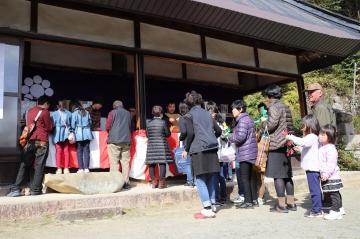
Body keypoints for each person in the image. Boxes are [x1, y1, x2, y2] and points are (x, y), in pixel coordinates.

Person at [182, 91, 222, 219]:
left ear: (188, 103)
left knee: (200, 179)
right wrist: (211, 138)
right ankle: (213, 204)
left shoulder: (189, 115)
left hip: (198, 149)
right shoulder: (208, 114)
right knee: (211, 177)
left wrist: (186, 149)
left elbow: (190, 134)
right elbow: (219, 131)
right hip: (212, 148)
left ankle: (207, 208)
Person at [7, 96, 52, 197]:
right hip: (42, 141)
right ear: (46, 103)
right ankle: (35, 190)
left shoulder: (29, 111)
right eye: (48, 105)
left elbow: (28, 125)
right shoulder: (45, 112)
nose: (48, 107)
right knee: (39, 165)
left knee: (24, 165)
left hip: (29, 142)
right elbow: (49, 127)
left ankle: (16, 189)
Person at [263, 84, 295, 213]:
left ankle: (281, 205)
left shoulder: (274, 107)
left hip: (276, 144)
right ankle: (291, 203)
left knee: (278, 176)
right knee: (287, 176)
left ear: (270, 96)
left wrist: (264, 122)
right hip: (286, 143)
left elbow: (271, 124)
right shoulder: (285, 106)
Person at [286, 114, 322, 217]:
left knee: (314, 190)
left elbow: (302, 142)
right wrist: (300, 150)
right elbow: (308, 150)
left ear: (309, 125)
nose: (302, 126)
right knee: (315, 189)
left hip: (312, 168)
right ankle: (318, 208)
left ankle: (317, 210)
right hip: (312, 168)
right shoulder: (313, 137)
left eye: (304, 124)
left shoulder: (311, 137)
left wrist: (290, 136)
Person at [228, 99, 258, 209]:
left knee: (245, 178)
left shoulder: (242, 120)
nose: (232, 111)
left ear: (240, 109)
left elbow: (240, 137)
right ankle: (253, 200)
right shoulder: (248, 119)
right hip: (250, 152)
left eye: (233, 109)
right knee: (251, 178)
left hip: (245, 152)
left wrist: (230, 136)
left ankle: (248, 202)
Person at [319, 124, 345, 220]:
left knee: (334, 194)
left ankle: (335, 211)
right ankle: (340, 208)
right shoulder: (324, 147)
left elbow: (331, 163)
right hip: (328, 175)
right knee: (333, 193)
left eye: (323, 135)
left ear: (330, 137)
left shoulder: (330, 148)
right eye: (320, 134)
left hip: (331, 176)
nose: (320, 136)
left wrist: (326, 174)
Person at [106, 100, 132, 189]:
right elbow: (130, 126)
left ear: (114, 106)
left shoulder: (112, 113)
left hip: (114, 141)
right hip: (126, 141)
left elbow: (107, 126)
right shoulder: (128, 114)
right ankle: (126, 182)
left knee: (114, 163)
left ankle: (115, 183)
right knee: (125, 163)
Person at [145, 106, 172, 189]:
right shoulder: (163, 122)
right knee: (162, 163)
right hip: (161, 146)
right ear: (161, 114)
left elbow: (147, 135)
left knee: (151, 164)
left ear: (152, 113)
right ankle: (161, 183)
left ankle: (154, 182)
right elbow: (168, 134)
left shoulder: (148, 122)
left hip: (152, 146)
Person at [205, 101, 227, 205]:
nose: (212, 113)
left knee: (217, 176)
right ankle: (222, 197)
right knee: (219, 175)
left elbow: (224, 135)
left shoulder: (218, 122)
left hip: (218, 152)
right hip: (218, 152)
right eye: (210, 111)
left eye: (213, 111)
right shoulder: (220, 122)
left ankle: (219, 198)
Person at [71, 101, 94, 173]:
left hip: (79, 133)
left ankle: (81, 168)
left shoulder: (74, 113)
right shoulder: (87, 112)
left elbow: (72, 125)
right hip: (87, 133)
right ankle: (87, 168)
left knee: (79, 151)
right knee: (87, 151)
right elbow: (90, 123)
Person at [51, 100, 72, 174]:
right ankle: (66, 168)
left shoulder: (54, 114)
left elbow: (52, 125)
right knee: (66, 151)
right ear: (65, 106)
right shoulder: (69, 113)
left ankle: (59, 168)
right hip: (66, 133)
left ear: (57, 106)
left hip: (57, 133)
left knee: (58, 151)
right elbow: (71, 125)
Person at [178, 102, 195, 187]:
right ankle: (195, 180)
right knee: (194, 162)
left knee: (188, 163)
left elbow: (184, 132)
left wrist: (180, 138)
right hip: (195, 142)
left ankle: (190, 181)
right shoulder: (192, 117)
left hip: (187, 142)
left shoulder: (182, 118)